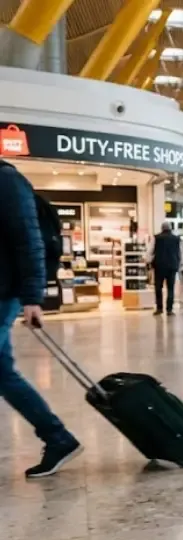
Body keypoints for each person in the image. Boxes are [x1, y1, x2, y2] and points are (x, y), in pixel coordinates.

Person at [0, 160, 83, 478]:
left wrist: (33, 297)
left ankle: (58, 437)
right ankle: (57, 437)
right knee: (3, 374)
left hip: (4, 293)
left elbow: (29, 238)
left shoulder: (6, 179)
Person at [149, 221, 183, 316]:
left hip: (159, 266)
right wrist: (180, 264)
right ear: (170, 228)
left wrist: (148, 261)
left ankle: (159, 309)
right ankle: (169, 310)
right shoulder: (177, 239)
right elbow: (181, 253)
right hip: (172, 266)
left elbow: (150, 251)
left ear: (162, 228)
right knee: (171, 288)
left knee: (158, 288)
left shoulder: (156, 238)